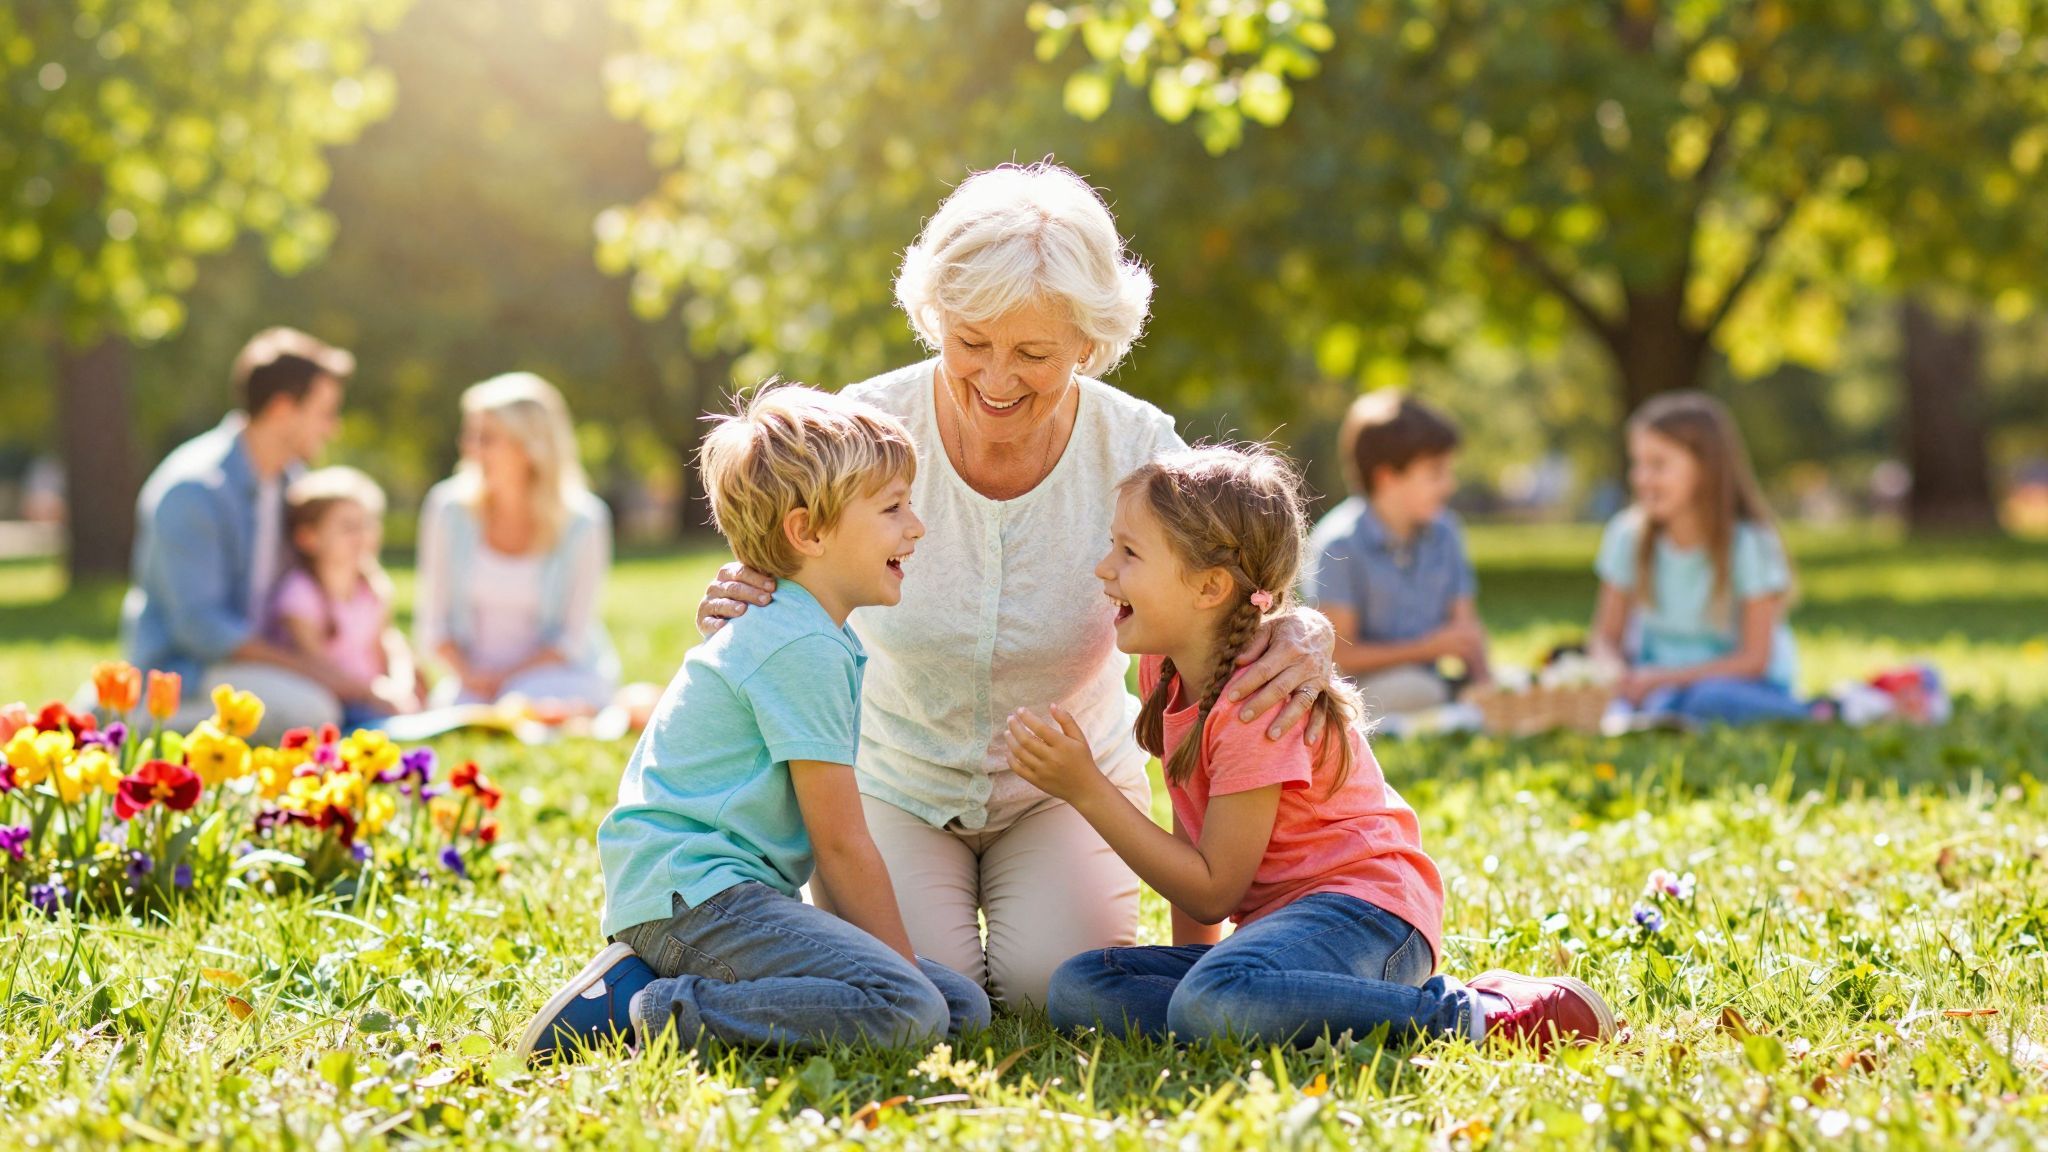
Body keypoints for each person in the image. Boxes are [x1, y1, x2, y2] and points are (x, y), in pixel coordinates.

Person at [695, 163, 1339, 1010]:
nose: (998, 380)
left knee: (1047, 990)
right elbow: (784, 556)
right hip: (894, 781)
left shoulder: (1139, 448)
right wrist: (742, 596)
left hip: (1067, 791)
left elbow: (1233, 577)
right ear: (936, 321)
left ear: (1089, 340)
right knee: (936, 988)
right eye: (971, 344)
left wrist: (1300, 627)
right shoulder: (862, 437)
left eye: (1033, 353)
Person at [1010, 446, 1612, 1049]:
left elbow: (1214, 887)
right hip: (1279, 934)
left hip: (1368, 916)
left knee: (1210, 1001)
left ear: (1210, 586)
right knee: (1081, 988)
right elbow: (1198, 841)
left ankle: (1474, 1014)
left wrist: (1087, 790)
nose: (1104, 569)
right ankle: (1234, 1003)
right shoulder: (1166, 670)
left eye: (1129, 552)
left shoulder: (1255, 701)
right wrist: (1201, 969)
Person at [517, 385, 989, 1060]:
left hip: (714, 896)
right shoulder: (801, 645)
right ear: (809, 531)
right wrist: (900, 979)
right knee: (912, 1008)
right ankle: (638, 1010)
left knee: (957, 1008)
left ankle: (655, 982)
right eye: (892, 509)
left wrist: (888, 968)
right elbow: (842, 845)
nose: (915, 527)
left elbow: (827, 849)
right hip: (696, 899)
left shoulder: (807, 631)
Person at [121, 327, 363, 743]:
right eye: (324, 412)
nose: (333, 428)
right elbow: (202, 630)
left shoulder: (290, 482)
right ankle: (126, 718)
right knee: (313, 711)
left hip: (253, 670)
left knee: (332, 699)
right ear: (284, 408)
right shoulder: (195, 489)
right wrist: (318, 673)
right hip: (184, 674)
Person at [1590, 391, 1809, 726]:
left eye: (1658, 464)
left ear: (1705, 468)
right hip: (1656, 688)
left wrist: (1663, 679)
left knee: (1709, 699)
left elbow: (1755, 660)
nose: (1641, 478)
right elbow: (1605, 636)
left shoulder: (1750, 545)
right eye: (1638, 463)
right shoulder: (1626, 536)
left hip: (1742, 687)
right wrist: (1616, 674)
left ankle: (1818, 712)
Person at [414, 373, 618, 715]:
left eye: (487, 438)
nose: (470, 448)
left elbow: (571, 639)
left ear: (529, 448)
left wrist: (507, 680)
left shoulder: (584, 521)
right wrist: (472, 677)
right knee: (468, 712)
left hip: (557, 677)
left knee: (524, 706)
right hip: (472, 684)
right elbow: (433, 626)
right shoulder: (448, 510)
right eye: (470, 435)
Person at [1306, 390, 1490, 717]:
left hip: (1428, 682)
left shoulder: (1445, 532)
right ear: (1386, 477)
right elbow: (1338, 657)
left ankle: (1456, 700)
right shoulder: (1340, 544)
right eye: (1435, 473)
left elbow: (1467, 629)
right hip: (1358, 691)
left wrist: (1487, 685)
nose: (1449, 484)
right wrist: (1424, 650)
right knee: (1419, 690)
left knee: (1438, 688)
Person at [268, 467, 421, 731]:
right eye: (348, 527)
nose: (362, 536)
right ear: (308, 537)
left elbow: (386, 642)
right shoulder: (300, 595)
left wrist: (400, 683)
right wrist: (374, 693)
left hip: (378, 695)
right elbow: (316, 665)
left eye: (367, 524)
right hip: (339, 700)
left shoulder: (371, 586)